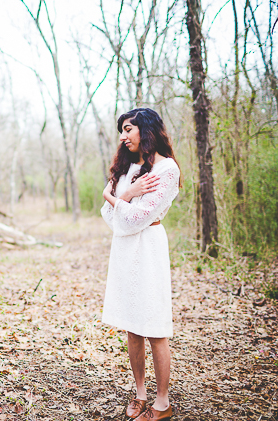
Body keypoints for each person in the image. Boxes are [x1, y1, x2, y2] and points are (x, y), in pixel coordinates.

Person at [101, 108, 181, 421]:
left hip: (148, 248)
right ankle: (140, 394)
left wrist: (119, 197)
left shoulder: (167, 170)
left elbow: (137, 217)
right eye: (122, 130)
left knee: (154, 327)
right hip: (124, 250)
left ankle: (162, 403)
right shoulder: (130, 165)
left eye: (128, 129)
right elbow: (110, 217)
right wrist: (126, 197)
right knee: (132, 326)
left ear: (146, 130)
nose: (123, 136)